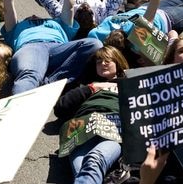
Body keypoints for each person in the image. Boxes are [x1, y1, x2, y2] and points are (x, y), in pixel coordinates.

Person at [2, 0, 102, 95]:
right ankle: (20, 110)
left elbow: (69, 4)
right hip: (30, 48)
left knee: (95, 44)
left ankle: (51, 82)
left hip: (59, 49)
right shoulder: (16, 27)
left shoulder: (59, 23)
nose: (33, 15)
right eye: (29, 18)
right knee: (30, 77)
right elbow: (8, 6)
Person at [53, 45, 130, 184]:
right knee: (81, 171)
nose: (103, 64)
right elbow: (60, 108)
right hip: (81, 128)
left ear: (118, 63)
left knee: (94, 160)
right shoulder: (87, 87)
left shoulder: (129, 84)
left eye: (108, 60)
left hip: (113, 125)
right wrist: (93, 87)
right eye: (99, 62)